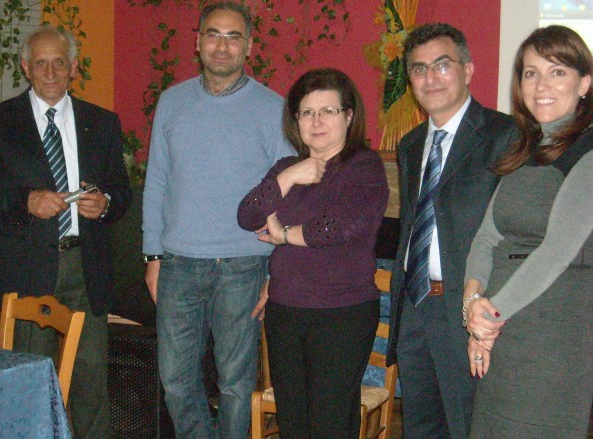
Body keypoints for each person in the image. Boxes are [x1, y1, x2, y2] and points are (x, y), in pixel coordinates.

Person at [0, 25, 131, 438]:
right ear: (26, 67)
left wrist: (106, 203)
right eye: (41, 63)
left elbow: (122, 192)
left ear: (74, 66)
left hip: (86, 267)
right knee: (30, 379)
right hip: (27, 268)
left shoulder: (102, 123)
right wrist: (26, 201)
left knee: (91, 381)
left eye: (60, 62)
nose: (51, 72)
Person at [142, 2, 294, 437]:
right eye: (213, 34)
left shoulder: (272, 108)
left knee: (235, 385)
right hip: (177, 264)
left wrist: (276, 272)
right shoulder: (172, 102)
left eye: (233, 37)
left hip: (243, 267)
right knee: (175, 382)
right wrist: (152, 256)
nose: (222, 46)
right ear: (198, 42)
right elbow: (157, 182)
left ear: (249, 46)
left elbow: (288, 194)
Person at [237, 68, 388, 437]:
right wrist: (288, 177)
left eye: (327, 111)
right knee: (293, 423)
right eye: (307, 112)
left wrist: (284, 234)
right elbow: (247, 215)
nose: (316, 121)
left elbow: (342, 227)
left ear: (348, 116)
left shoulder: (364, 166)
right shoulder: (287, 167)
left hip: (341, 314)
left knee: (329, 423)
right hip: (285, 312)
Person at [385, 23, 518, 438]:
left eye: (442, 65)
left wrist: (490, 312)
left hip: (469, 311)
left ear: (468, 69)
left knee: (468, 427)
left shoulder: (505, 135)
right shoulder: (410, 145)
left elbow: (512, 235)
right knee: (420, 427)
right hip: (415, 306)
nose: (431, 78)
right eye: (419, 69)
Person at [463, 25, 593, 437]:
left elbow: (556, 253)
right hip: (501, 334)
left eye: (558, 72)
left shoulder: (588, 153)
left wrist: (488, 318)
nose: (541, 85)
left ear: (584, 83)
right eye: (531, 73)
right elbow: (487, 237)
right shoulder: (523, 148)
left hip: (552, 342)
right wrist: (472, 302)